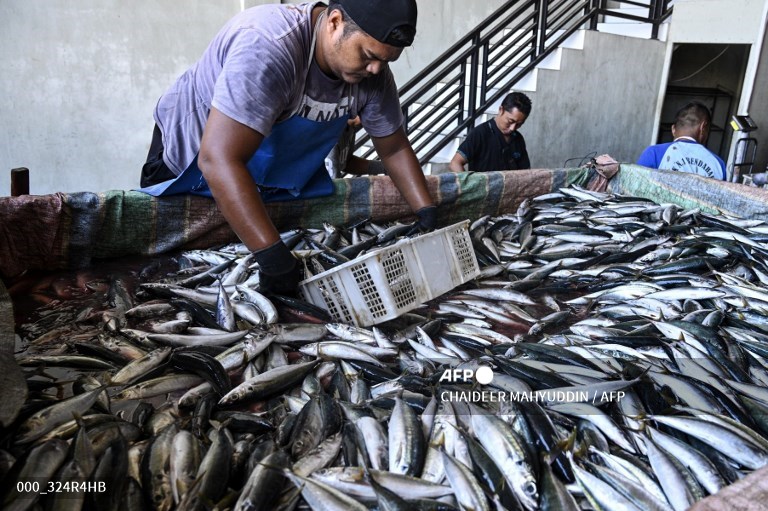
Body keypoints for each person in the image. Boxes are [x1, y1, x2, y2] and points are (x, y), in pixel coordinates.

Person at [138, 0, 437, 295]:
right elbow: (219, 160)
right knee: (166, 275)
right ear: (335, 22)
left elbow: (394, 149)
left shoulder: (373, 76)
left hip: (257, 175)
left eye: (386, 61)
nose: (375, 69)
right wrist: (271, 255)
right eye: (368, 55)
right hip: (189, 162)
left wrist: (426, 212)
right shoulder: (268, 46)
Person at [637, 101, 727, 181]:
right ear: (703, 127)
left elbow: (635, 188)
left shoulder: (654, 153)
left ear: (673, 129)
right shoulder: (718, 163)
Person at [448, 92, 532, 173]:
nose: (512, 128)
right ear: (501, 110)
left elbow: (525, 172)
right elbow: (455, 164)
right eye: (510, 121)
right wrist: (470, 185)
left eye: (519, 124)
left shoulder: (518, 138)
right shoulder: (479, 134)